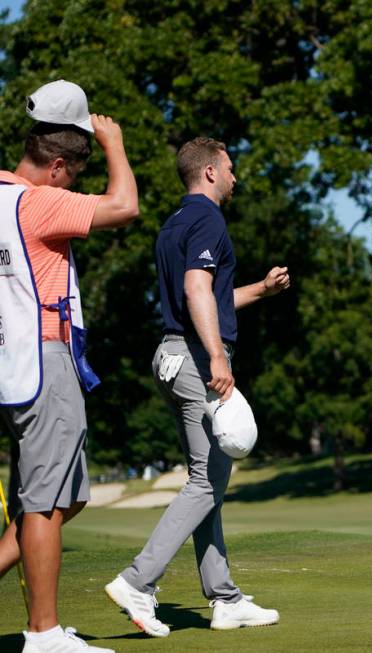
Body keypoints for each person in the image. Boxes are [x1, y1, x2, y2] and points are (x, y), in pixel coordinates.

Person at [104, 136, 288, 636]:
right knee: (207, 481)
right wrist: (216, 356)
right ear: (209, 172)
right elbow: (196, 290)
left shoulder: (174, 224)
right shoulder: (208, 218)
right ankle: (137, 582)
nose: (234, 176)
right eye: (229, 168)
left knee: (209, 480)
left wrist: (263, 290)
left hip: (170, 354)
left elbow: (212, 294)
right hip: (194, 358)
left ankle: (224, 599)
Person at [0, 80, 139, 653]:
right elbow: (125, 206)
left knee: (61, 497)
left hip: (14, 366)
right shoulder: (38, 201)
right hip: (44, 359)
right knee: (46, 502)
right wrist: (113, 144)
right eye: (74, 173)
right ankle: (44, 634)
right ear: (57, 165)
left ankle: (45, 629)